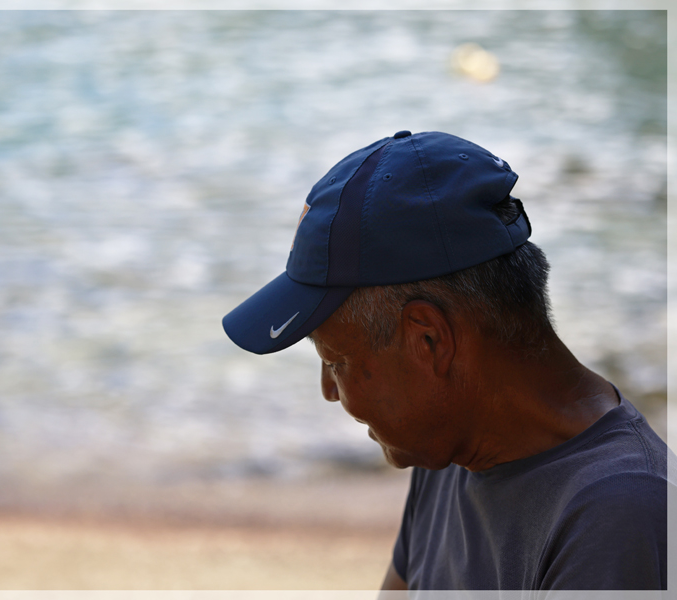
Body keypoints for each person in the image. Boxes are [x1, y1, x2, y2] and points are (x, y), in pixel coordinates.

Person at [221, 131, 669, 591]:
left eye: (335, 360)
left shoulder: (619, 517)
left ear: (429, 340)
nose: (329, 390)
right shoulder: (448, 443)